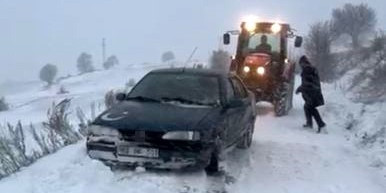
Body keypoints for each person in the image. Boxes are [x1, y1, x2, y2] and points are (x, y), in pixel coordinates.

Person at [296, 55, 326, 133]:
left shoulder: (307, 70)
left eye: (301, 64)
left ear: (303, 63)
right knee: (307, 107)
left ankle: (321, 125)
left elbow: (307, 83)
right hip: (314, 92)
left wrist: (300, 88)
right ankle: (309, 123)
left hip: (312, 93)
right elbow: (309, 82)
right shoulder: (311, 68)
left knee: (311, 108)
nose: (301, 66)